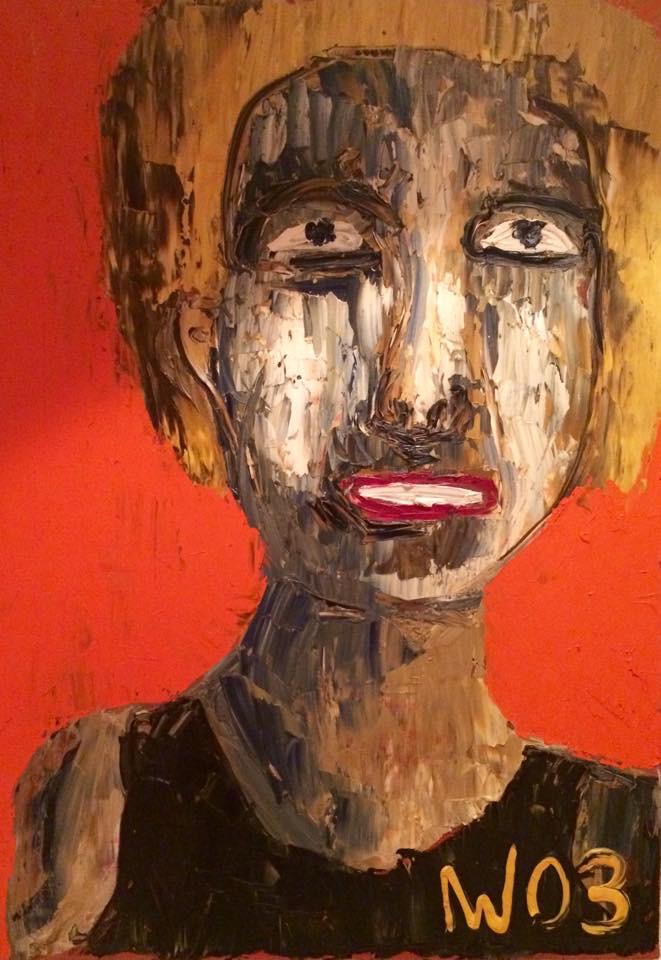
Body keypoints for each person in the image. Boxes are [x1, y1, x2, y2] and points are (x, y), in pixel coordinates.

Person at [8, 2, 660, 958]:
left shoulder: (630, 852)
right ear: (206, 350)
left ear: (604, 338)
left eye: (523, 244)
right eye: (322, 242)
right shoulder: (96, 809)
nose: (418, 393)